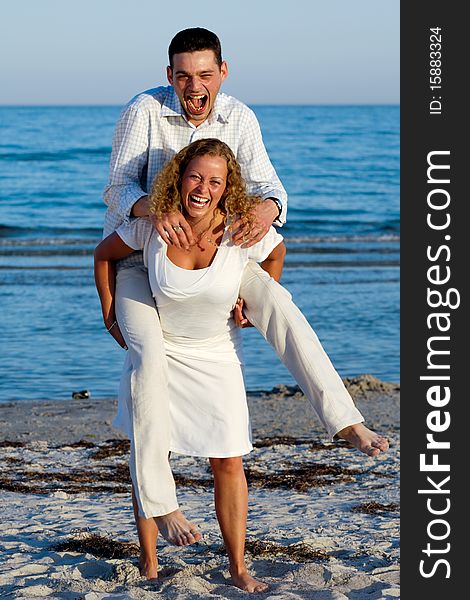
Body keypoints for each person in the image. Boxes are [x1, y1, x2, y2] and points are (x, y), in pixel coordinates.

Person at [102, 26, 388, 550]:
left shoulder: (240, 117)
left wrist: (266, 209)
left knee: (280, 304)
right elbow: (118, 188)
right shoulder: (142, 110)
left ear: (222, 73)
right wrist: (154, 210)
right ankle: (162, 505)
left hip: (220, 251)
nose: (195, 86)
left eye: (205, 75)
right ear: (169, 76)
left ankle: (345, 421)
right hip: (145, 259)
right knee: (148, 362)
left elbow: (271, 188)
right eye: (184, 75)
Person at [96, 139, 286, 591]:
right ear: (179, 177)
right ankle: (149, 561)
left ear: (228, 187)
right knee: (149, 448)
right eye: (195, 177)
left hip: (217, 352)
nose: (203, 187)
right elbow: (104, 254)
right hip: (161, 346)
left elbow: (276, 252)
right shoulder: (155, 225)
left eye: (215, 181)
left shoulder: (240, 231)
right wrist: (110, 314)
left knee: (228, 459)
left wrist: (252, 300)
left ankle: (238, 567)